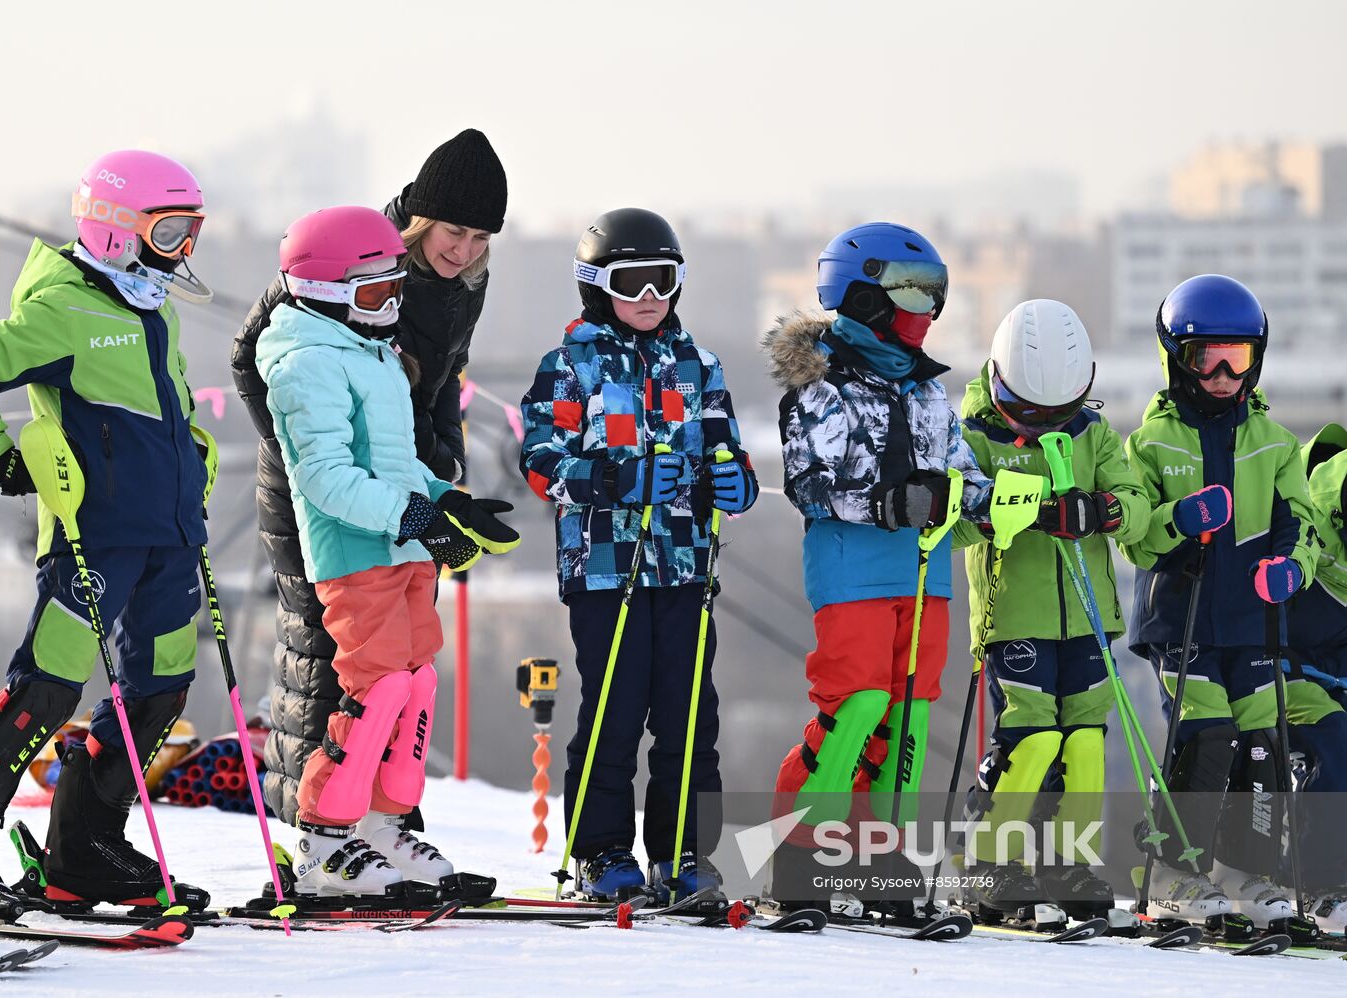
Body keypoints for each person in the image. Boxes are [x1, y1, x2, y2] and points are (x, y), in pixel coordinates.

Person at [231, 129, 506, 871]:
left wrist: (444, 486)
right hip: (330, 500)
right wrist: (306, 455)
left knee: (406, 676)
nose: (466, 249)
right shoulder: (341, 257)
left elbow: (442, 381)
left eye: (481, 237)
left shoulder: (435, 297)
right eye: (455, 231)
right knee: (334, 663)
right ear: (419, 218)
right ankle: (318, 836)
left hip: (396, 493)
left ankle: (380, 823)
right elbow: (254, 360)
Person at [0, 150, 214, 910]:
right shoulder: (63, 308)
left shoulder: (153, 306)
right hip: (92, 536)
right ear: (118, 228)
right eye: (171, 232)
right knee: (48, 686)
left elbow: (174, 413)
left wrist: (197, 468)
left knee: (160, 688)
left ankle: (85, 850)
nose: (183, 251)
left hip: (167, 537)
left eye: (190, 233)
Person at [519, 208, 757, 900]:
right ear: (597, 286)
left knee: (689, 714)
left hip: (685, 565)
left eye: (663, 281)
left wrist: (733, 481)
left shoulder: (699, 365)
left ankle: (683, 854)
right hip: (604, 568)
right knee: (616, 710)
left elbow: (726, 448)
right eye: (633, 283)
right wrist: (612, 478)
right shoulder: (569, 365)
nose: (650, 298)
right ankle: (600, 852)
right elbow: (540, 459)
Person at [764, 222, 993, 913]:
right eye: (910, 294)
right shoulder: (821, 386)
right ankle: (801, 852)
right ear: (861, 296)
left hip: (925, 576)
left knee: (907, 714)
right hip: (852, 571)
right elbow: (810, 484)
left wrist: (982, 500)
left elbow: (967, 477)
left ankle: (876, 852)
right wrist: (889, 499)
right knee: (855, 706)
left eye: (935, 296)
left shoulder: (927, 391)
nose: (925, 312)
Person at [1120, 274, 1318, 927]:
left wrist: (1291, 567)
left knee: (1263, 739)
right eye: (1209, 357)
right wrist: (1181, 519)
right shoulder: (1152, 443)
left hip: (1251, 620)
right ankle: (1177, 872)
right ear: (1177, 359)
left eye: (1241, 356)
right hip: (1184, 619)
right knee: (1208, 736)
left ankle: (1246, 873)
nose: (1227, 373)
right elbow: (1137, 540)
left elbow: (1302, 524)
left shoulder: (1275, 444)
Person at [951, 299, 1150, 921]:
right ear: (1000, 381)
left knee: (1086, 741)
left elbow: (1134, 499)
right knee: (1032, 738)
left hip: (1088, 618)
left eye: (1055, 412)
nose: (1041, 424)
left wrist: (1104, 510)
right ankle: (991, 864)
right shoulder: (974, 434)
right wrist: (1025, 506)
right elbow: (954, 519)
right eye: (1029, 411)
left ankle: (1066, 861)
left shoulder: (1091, 433)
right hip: (1013, 617)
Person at [1285, 423, 1347, 930]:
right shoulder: (1303, 521)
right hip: (1281, 674)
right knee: (1337, 738)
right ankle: (1321, 883)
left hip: (1333, 672)